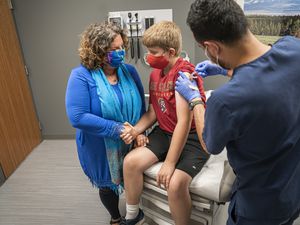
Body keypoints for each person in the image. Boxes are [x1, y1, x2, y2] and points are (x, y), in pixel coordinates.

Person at [175, 0, 300, 224]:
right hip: (292, 192)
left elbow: (209, 143)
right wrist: (227, 69)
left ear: (212, 47)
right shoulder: (293, 48)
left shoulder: (225, 101)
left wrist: (195, 100)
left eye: (206, 49)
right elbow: (266, 78)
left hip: (257, 208)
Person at [119, 21, 209, 225]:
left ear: (170, 51)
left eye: (153, 52)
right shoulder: (154, 74)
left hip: (193, 138)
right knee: (131, 162)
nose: (148, 56)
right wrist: (135, 131)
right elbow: (153, 112)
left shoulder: (183, 74)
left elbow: (184, 123)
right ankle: (134, 216)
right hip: (166, 132)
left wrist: (169, 163)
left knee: (176, 184)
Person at [65, 22, 145, 225]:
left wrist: (139, 131)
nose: (120, 52)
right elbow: (77, 116)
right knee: (108, 185)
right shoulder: (81, 76)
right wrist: (117, 129)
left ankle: (134, 211)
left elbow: (141, 107)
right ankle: (115, 218)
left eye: (121, 47)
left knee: (133, 178)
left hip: (131, 137)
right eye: (113, 49)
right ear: (98, 52)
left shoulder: (129, 71)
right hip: (99, 144)